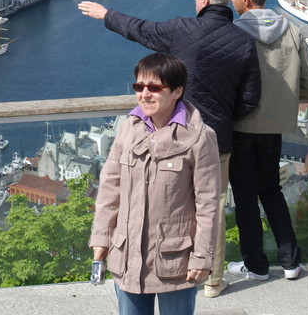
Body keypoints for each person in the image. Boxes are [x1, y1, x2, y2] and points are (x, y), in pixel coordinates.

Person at [79, 0, 260, 298]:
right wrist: (221, 117)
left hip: (169, 135)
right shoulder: (243, 41)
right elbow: (250, 97)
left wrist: (106, 14)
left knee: (158, 205)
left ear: (203, 0)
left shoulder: (181, 30)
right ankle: (211, 278)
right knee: (211, 206)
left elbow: (140, 29)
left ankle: (152, 272)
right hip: (216, 137)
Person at [90, 53, 220, 315]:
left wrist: (202, 257)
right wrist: (101, 237)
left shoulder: (200, 138)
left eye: (154, 87)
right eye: (139, 86)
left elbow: (208, 204)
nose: (144, 94)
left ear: (177, 92)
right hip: (127, 255)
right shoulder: (128, 128)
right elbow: (110, 188)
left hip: (174, 260)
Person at [227, 0, 308, 282]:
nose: (232, 0)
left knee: (245, 197)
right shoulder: (292, 30)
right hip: (276, 123)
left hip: (242, 124)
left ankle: (256, 265)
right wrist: (286, 98)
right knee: (272, 191)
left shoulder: (233, 33)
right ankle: (290, 261)